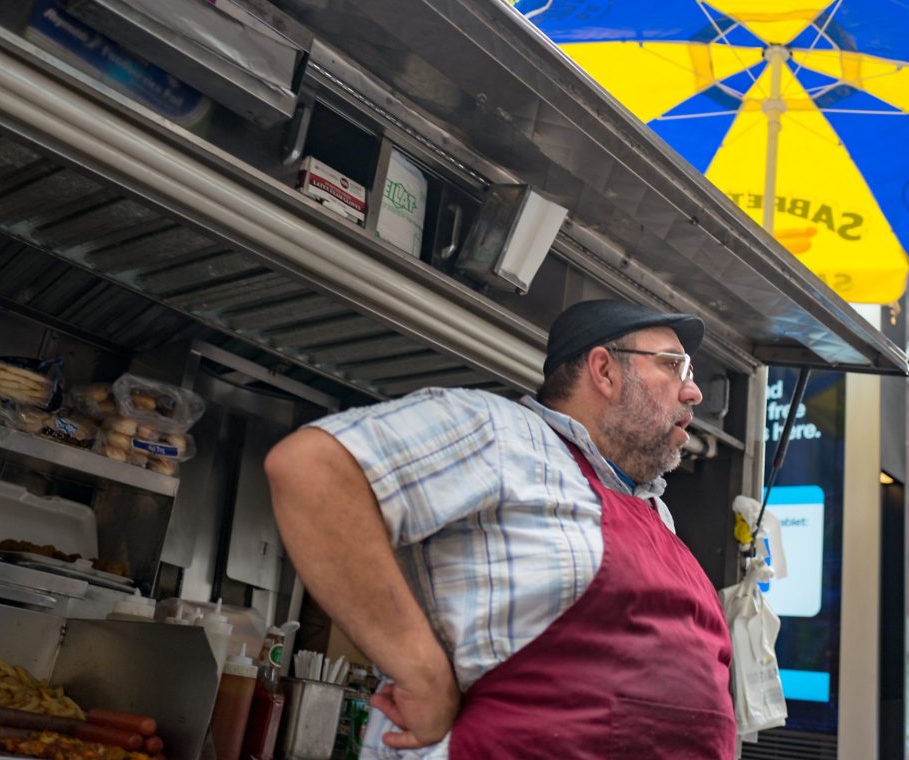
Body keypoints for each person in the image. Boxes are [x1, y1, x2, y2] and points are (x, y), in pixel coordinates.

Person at [263, 299, 737, 759]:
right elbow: (313, 469)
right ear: (605, 371)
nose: (692, 391)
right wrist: (420, 673)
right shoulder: (501, 432)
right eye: (674, 366)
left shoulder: (657, 511)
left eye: (691, 373)